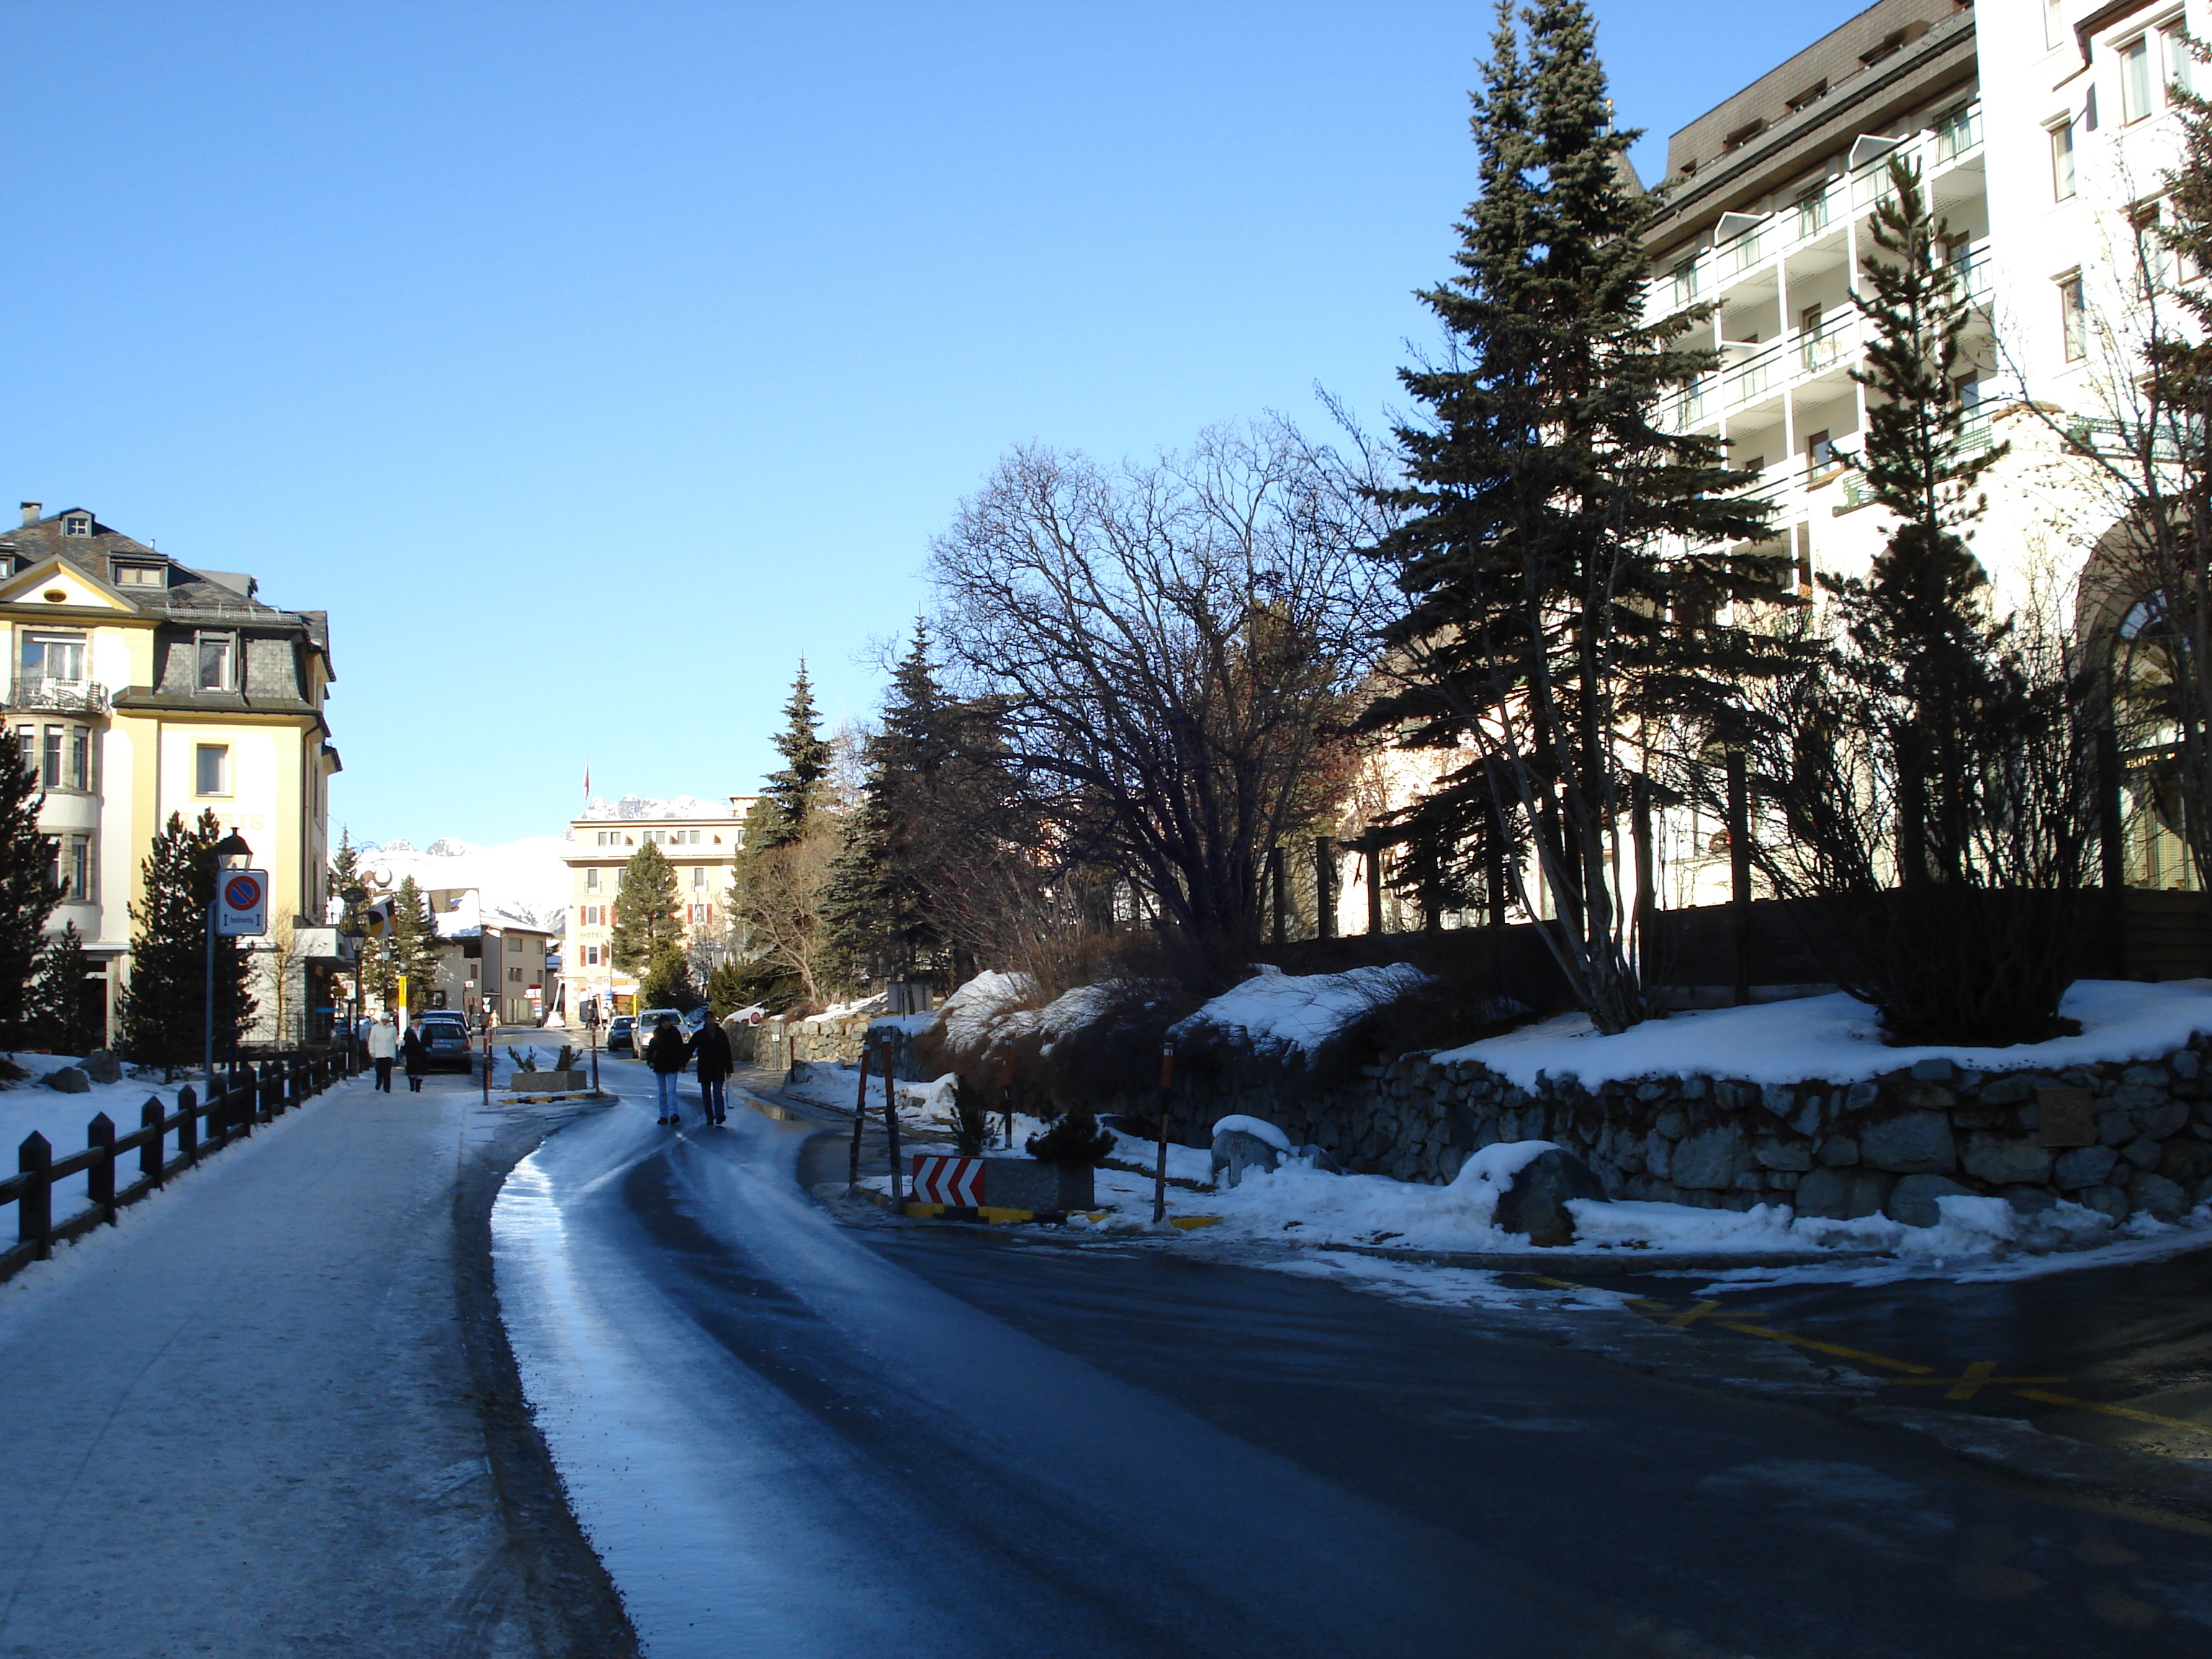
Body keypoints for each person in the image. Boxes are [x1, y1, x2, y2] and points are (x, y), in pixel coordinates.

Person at [691, 1012, 733, 1126]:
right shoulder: (700, 1035)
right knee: (706, 1094)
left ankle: (719, 1115)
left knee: (717, 1092)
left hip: (718, 1067)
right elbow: (689, 1048)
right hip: (704, 1067)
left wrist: (729, 1069)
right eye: (707, 1018)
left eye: (711, 1018)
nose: (709, 1020)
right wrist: (682, 1063)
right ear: (704, 1020)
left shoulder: (721, 1033)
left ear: (714, 1019)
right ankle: (710, 1116)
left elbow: (727, 1051)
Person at [644, 1014, 688, 1125]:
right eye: (664, 1022)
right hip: (660, 1065)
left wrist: (682, 1063)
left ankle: (674, 1114)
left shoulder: (675, 1033)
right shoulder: (657, 1033)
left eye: (667, 1022)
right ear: (661, 1023)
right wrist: (650, 1061)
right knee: (662, 1092)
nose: (666, 1024)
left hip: (672, 1064)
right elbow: (651, 1049)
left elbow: (681, 1048)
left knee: (672, 1091)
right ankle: (663, 1115)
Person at [367, 1012, 398, 1092]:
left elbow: (396, 1039)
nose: (385, 1023)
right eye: (383, 1021)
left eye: (386, 1021)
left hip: (389, 1052)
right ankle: (379, 1082)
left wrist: (400, 1042)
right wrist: (372, 1051)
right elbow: (372, 1040)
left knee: (387, 1072)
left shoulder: (393, 1028)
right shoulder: (375, 1028)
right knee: (379, 1070)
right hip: (379, 1052)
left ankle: (387, 1087)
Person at [402, 1015, 431, 1094]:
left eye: (418, 1021)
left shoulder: (425, 1030)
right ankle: (412, 1085)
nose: (417, 1023)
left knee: (421, 1070)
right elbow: (405, 1041)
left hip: (422, 1052)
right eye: (415, 1021)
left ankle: (418, 1087)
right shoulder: (409, 1030)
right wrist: (404, 1052)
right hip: (412, 1053)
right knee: (412, 1070)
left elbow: (429, 1041)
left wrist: (428, 1050)